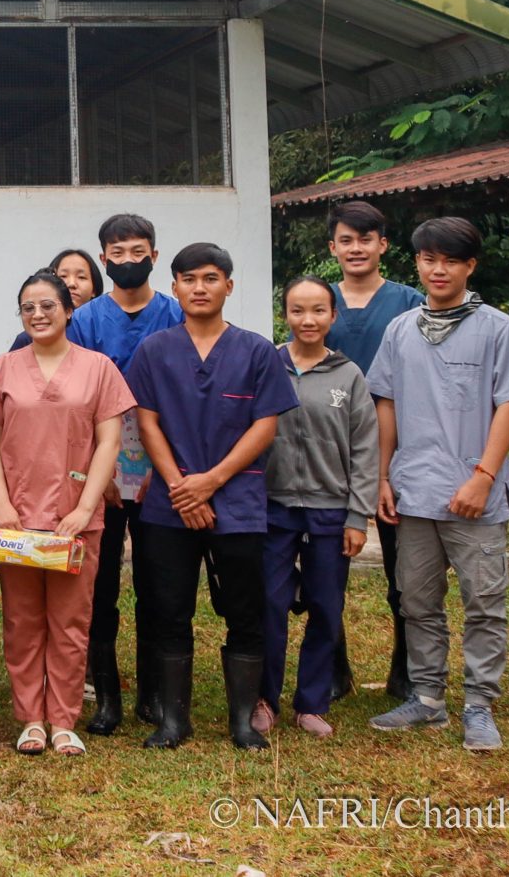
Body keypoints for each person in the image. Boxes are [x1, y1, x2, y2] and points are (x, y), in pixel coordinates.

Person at [367, 217, 509, 753]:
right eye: (428, 259)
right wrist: (382, 475)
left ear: (470, 267)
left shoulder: (497, 327)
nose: (438, 270)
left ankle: (480, 705)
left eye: (450, 260)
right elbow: (386, 404)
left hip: (474, 494)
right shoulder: (400, 329)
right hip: (414, 489)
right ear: (416, 263)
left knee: (484, 601)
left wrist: (484, 476)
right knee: (416, 600)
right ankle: (428, 698)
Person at [126, 242, 297, 751]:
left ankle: (243, 721)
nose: (199, 288)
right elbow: (146, 421)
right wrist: (182, 485)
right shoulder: (155, 350)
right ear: (174, 287)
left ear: (229, 285)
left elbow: (265, 425)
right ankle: (173, 721)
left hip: (237, 501)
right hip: (168, 503)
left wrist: (211, 481)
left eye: (210, 278)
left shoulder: (256, 351)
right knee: (167, 609)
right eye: (189, 279)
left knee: (246, 609)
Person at [0, 270, 132, 757]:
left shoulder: (99, 368)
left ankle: (64, 720)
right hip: (17, 517)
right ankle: (30, 718)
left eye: (48, 305)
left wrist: (86, 506)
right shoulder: (3, 369)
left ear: (69, 310)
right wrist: (1, 503)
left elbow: (109, 440)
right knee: (22, 620)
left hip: (75, 516)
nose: (38, 314)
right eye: (28, 307)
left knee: (71, 621)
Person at [50, 215, 182, 738]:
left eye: (138, 250)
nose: (129, 260)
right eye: (117, 252)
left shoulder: (173, 314)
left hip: (161, 465)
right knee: (98, 586)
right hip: (97, 469)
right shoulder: (84, 321)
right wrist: (93, 477)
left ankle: (153, 691)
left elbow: (178, 398)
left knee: (158, 581)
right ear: (103, 260)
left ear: (154, 254)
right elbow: (76, 403)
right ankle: (106, 696)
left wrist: (164, 468)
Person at [258, 278, 378, 740]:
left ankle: (311, 702)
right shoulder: (267, 365)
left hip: (330, 510)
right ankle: (264, 699)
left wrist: (357, 515)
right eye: (297, 310)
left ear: (333, 316)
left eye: (318, 311)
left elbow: (366, 448)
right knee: (269, 604)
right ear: (284, 313)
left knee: (327, 606)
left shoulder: (349, 375)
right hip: (274, 508)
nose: (308, 320)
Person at [323, 199, 426, 702]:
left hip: (398, 451)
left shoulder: (409, 302)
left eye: (366, 239)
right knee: (327, 568)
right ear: (333, 247)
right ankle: (333, 669)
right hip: (328, 452)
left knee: (404, 570)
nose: (356, 248)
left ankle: (406, 671)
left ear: (383, 245)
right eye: (346, 239)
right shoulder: (319, 299)